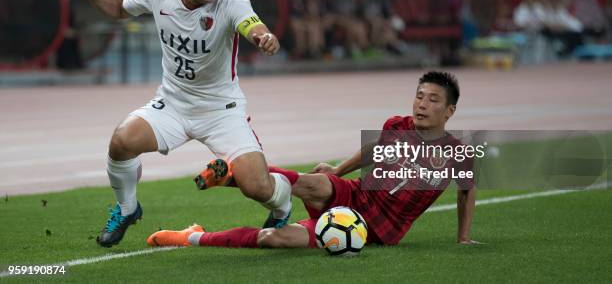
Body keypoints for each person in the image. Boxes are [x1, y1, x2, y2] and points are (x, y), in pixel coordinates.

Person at [73, 0, 292, 248]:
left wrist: (264, 36)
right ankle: (127, 208)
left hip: (222, 111)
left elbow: (250, 23)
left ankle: (283, 204)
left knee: (256, 186)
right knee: (122, 142)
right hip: (173, 105)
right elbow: (120, 7)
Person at [147, 71, 480, 249]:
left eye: (433, 99)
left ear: (450, 111)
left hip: (377, 229)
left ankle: (190, 236)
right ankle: (233, 173)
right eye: (419, 96)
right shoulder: (397, 125)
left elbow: (467, 191)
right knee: (313, 181)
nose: (421, 104)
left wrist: (463, 237)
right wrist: (338, 170)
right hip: (356, 194)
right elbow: (374, 148)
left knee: (273, 240)